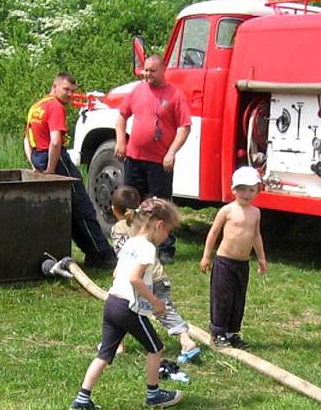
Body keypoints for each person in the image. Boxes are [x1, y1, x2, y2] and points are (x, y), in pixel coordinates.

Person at [69, 197, 184, 410]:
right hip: (128, 308)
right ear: (159, 225)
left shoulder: (130, 243)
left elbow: (116, 272)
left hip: (111, 302)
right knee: (156, 347)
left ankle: (82, 399)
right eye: (168, 230)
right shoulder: (147, 248)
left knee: (104, 355)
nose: (167, 235)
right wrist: (156, 302)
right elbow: (135, 279)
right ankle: (153, 395)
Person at [25, 72, 116, 268]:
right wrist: (50, 168)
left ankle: (91, 253)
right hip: (55, 159)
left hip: (39, 156)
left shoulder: (36, 106)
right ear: (55, 86)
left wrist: (34, 162)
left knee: (68, 208)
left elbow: (26, 138)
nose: (69, 94)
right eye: (66, 89)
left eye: (73, 91)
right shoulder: (55, 107)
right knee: (82, 206)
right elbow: (56, 142)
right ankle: (103, 255)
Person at [110, 185, 201, 364]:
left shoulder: (120, 229)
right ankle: (185, 339)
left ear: (114, 210)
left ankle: (117, 344)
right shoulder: (146, 226)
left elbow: (122, 254)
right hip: (157, 276)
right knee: (164, 310)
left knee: (124, 309)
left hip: (139, 278)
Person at [115, 55, 191, 264]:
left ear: (163, 70)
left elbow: (184, 127)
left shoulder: (175, 95)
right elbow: (122, 115)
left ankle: (165, 248)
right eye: (145, 70)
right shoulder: (137, 90)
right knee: (131, 202)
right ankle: (130, 242)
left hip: (159, 161)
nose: (147, 74)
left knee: (160, 206)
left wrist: (172, 152)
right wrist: (121, 141)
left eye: (152, 71)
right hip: (134, 157)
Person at [199, 166, 268, 349]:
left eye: (251, 189)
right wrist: (207, 256)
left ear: (258, 191)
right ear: (234, 190)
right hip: (224, 262)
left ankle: (231, 332)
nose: (247, 193)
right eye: (242, 189)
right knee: (222, 297)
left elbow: (256, 235)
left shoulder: (256, 213)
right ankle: (218, 331)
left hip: (242, 263)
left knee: (238, 297)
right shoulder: (227, 210)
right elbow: (214, 233)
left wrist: (261, 258)